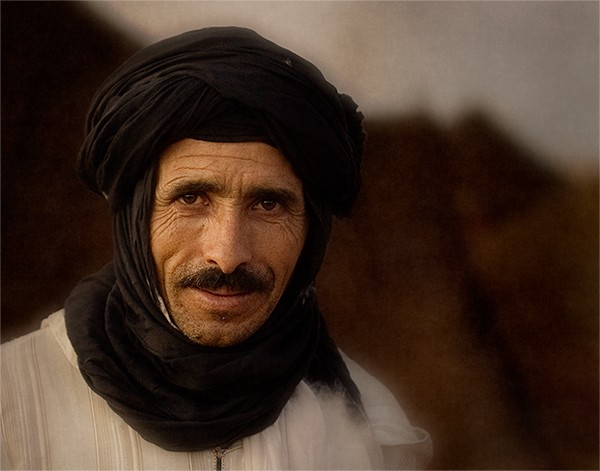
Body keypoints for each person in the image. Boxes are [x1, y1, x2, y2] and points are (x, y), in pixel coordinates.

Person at [1, 27, 431, 470]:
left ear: (313, 230)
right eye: (191, 198)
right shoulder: (12, 407)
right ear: (135, 216)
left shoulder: (371, 431)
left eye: (268, 204)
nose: (227, 255)